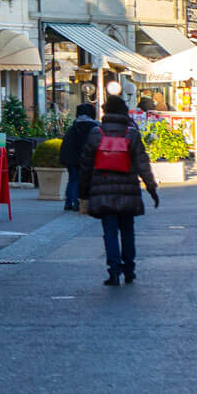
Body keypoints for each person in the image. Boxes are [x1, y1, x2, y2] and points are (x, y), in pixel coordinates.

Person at [79, 95, 159, 286]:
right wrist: (151, 187)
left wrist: (83, 193)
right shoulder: (131, 133)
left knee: (110, 232)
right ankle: (130, 269)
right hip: (128, 190)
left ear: (105, 112)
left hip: (103, 190)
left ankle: (114, 271)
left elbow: (85, 165)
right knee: (128, 231)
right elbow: (142, 163)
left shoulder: (96, 133)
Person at [57, 103, 98, 212]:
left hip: (70, 158)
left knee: (72, 179)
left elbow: (65, 145)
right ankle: (77, 202)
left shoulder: (73, 127)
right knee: (80, 180)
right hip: (83, 158)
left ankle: (69, 202)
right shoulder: (93, 127)